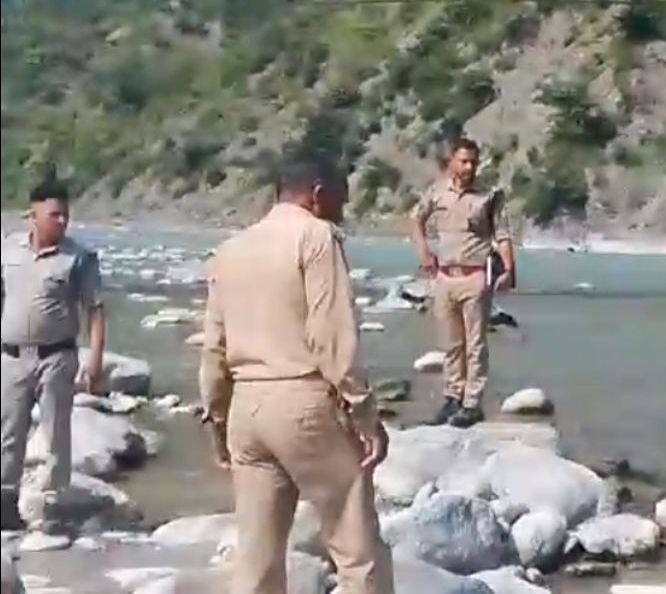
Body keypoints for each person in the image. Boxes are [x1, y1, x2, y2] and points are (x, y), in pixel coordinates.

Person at [199, 159, 394, 594]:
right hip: (302, 400)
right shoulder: (316, 236)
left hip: (246, 406)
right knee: (357, 550)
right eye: (341, 200)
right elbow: (331, 336)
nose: (343, 211)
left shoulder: (230, 250)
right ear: (318, 193)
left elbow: (214, 346)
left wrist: (216, 417)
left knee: (256, 560)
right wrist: (364, 413)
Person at [1, 179, 106, 530]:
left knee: (56, 433)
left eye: (65, 215)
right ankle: (5, 504)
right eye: (54, 215)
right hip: (11, 357)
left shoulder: (78, 258)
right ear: (32, 216)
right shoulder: (8, 252)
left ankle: (54, 504)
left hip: (56, 358)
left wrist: (94, 359)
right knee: (8, 433)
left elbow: (95, 310)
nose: (62, 221)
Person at [409, 137, 515, 428]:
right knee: (451, 343)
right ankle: (452, 397)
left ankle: (472, 403)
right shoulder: (437, 191)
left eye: (473, 162)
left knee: (475, 344)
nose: (469, 167)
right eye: (464, 161)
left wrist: (508, 270)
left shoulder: (488, 196)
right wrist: (423, 252)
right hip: (445, 276)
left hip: (475, 275)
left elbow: (502, 235)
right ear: (452, 161)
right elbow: (415, 219)